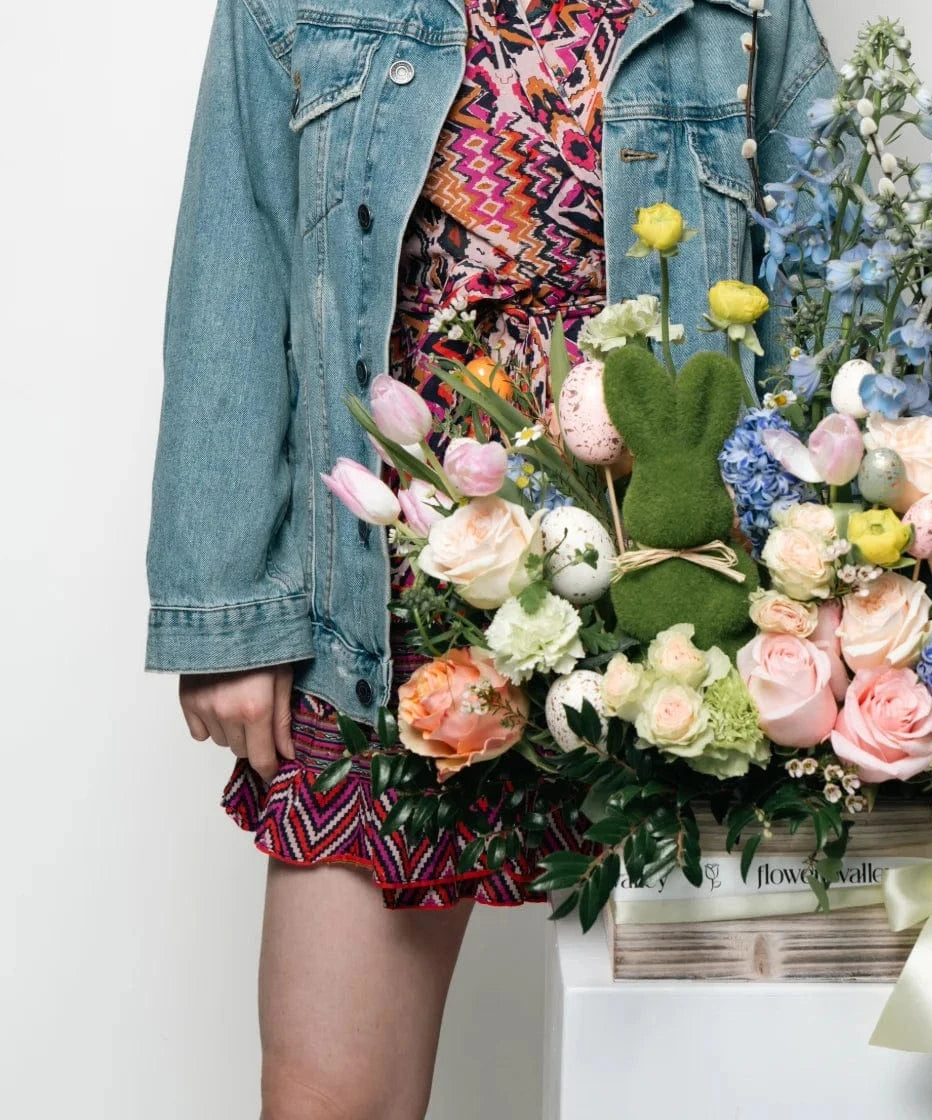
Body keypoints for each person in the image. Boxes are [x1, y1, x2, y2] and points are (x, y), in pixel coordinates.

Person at [145, 0, 834, 1115]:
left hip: (679, 626)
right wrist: (228, 605)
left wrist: (839, 590)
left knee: (720, 1084)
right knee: (332, 1098)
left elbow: (823, 280)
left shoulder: (737, 11)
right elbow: (235, 262)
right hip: (384, 622)